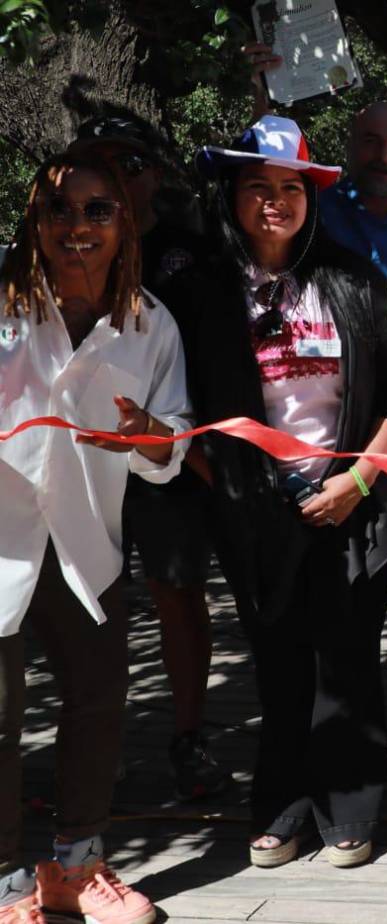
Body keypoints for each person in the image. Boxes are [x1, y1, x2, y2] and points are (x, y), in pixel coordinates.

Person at [180, 115, 387, 869]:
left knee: (347, 657)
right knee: (278, 659)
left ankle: (350, 807)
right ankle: (282, 808)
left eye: (291, 188)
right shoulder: (199, 293)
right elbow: (179, 402)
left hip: (350, 498)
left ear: (313, 197)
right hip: (252, 508)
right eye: (258, 187)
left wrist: (357, 479)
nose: (275, 202)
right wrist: (237, 490)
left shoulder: (352, 281)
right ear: (233, 195)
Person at [0, 150, 191, 924]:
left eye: (97, 211)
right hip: (1, 539)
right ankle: (9, 882)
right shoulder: (4, 304)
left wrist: (148, 437)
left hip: (87, 543)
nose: (77, 227)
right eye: (58, 211)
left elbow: (171, 451)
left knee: (96, 703)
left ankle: (76, 869)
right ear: (34, 224)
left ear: (125, 224)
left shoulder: (150, 324)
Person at [244, 41, 387, 735]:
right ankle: (347, 747)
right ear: (350, 145)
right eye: (370, 140)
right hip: (331, 451)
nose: (383, 154)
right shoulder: (320, 210)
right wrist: (261, 94)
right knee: (345, 608)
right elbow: (267, 173)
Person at [69, 114, 229, 800]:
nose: (118, 180)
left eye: (130, 166)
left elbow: (212, 359)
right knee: (87, 600)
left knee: (177, 594)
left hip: (168, 448)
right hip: (78, 456)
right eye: (101, 167)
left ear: (155, 175)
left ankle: (189, 736)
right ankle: (94, 745)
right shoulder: (58, 247)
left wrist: (196, 452)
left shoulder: (187, 255)